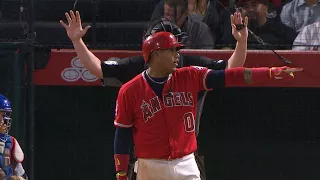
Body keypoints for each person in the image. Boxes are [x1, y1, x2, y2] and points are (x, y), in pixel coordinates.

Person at [60, 10, 248, 180]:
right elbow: (100, 69)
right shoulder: (138, 69)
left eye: (175, 47)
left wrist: (241, 42)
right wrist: (77, 41)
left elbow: (230, 71)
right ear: (154, 50)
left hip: (186, 155)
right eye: (167, 46)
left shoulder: (191, 68)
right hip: (149, 159)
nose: (174, 52)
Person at [113, 31, 302, 180]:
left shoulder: (189, 76)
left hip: (186, 162)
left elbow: (229, 76)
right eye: (172, 50)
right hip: (150, 166)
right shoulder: (129, 91)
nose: (177, 55)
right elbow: (122, 134)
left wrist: (269, 72)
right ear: (155, 55)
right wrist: (121, 174)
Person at [0, 94, 27, 180]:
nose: (3, 120)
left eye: (4, 115)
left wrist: (17, 178)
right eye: (0, 115)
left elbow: (22, 176)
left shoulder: (10, 142)